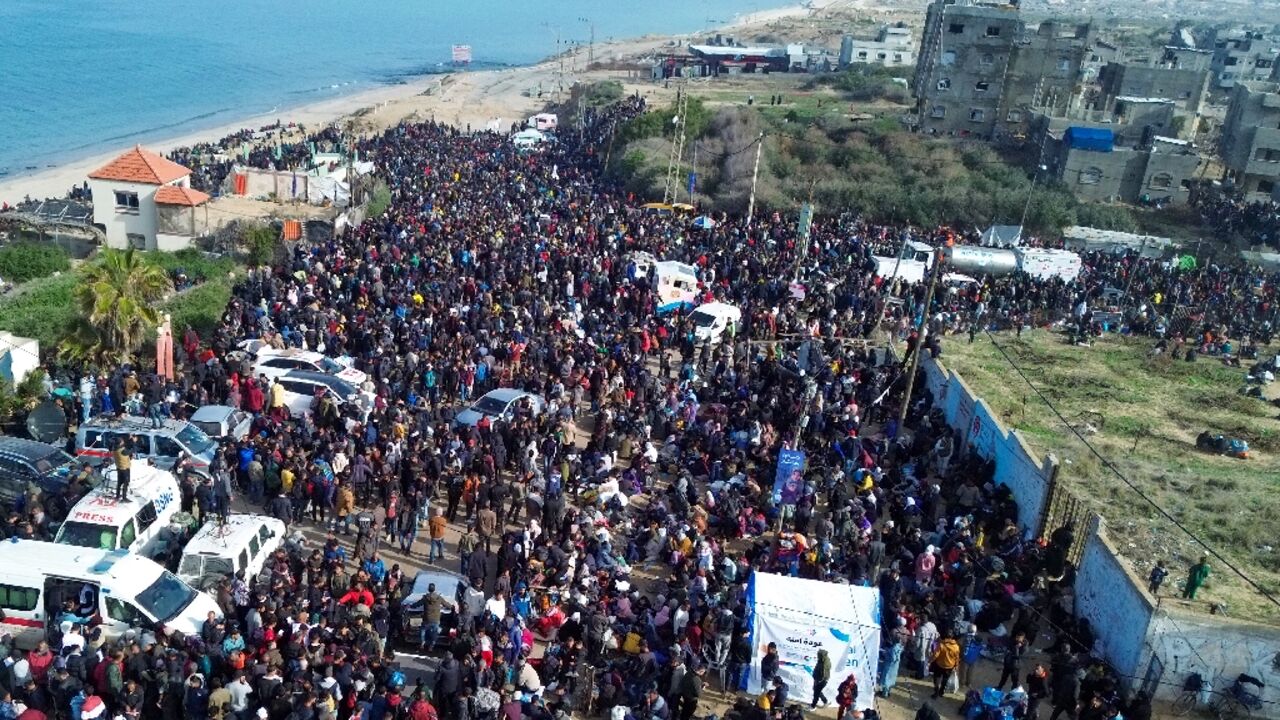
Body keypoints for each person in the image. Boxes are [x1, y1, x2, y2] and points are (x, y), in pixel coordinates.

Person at [929, 633, 960, 698]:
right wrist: (956, 666)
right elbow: (957, 658)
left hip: (940, 665)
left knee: (936, 678)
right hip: (950, 666)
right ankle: (941, 692)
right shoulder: (956, 647)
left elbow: (935, 655)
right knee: (945, 679)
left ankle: (936, 691)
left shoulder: (941, 644)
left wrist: (930, 661)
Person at [112, 437, 133, 501]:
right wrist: (134, 442)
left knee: (119, 483)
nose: (123, 442)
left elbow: (126, 447)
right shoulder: (122, 451)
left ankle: (117, 496)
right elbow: (132, 450)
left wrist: (130, 439)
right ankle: (124, 497)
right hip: (125, 469)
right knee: (126, 482)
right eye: (122, 441)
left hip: (119, 468)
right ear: (120, 443)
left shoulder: (115, 448)